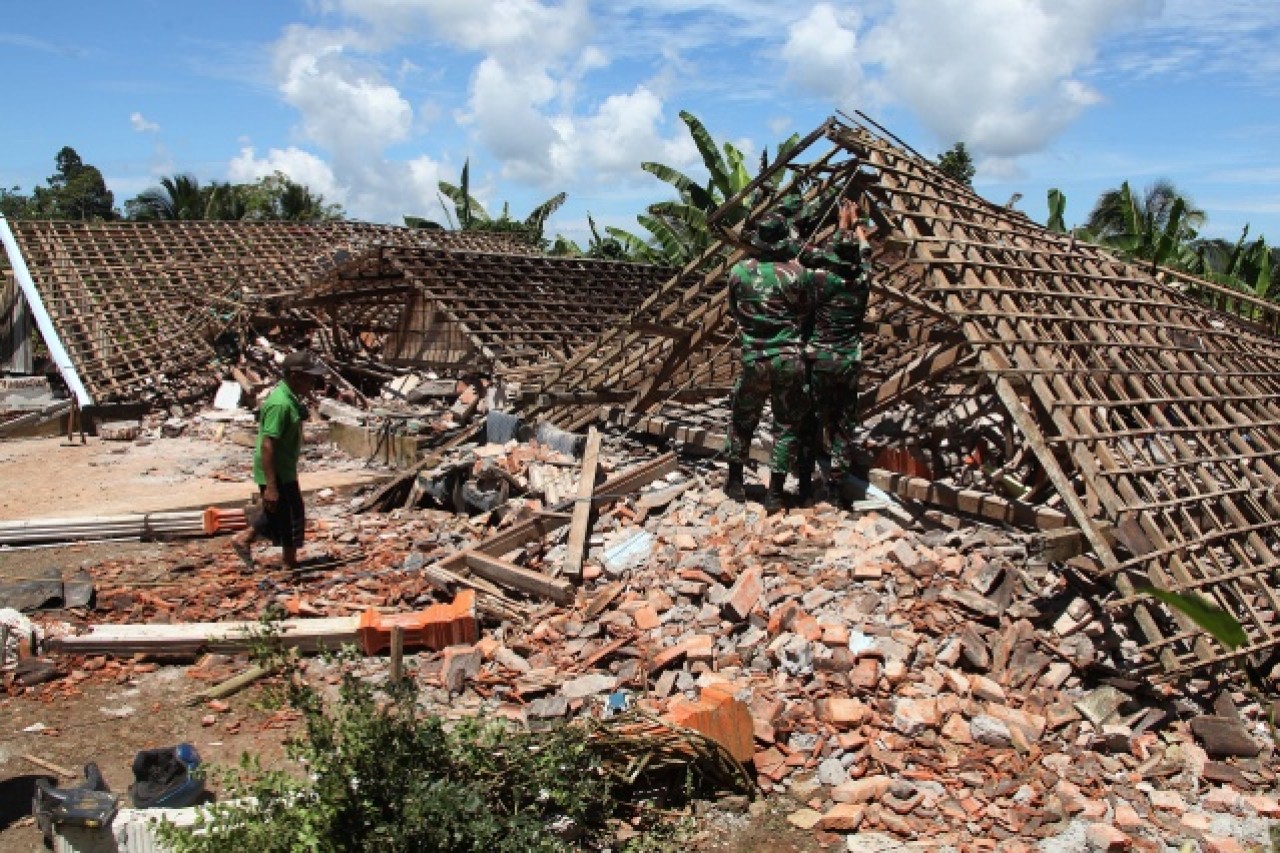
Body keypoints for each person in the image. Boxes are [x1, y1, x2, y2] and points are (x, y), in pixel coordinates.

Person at [724, 214, 822, 512]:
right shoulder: (799, 273)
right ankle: (775, 493)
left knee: (743, 419)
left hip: (754, 358)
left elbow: (734, 310)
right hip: (788, 359)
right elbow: (808, 313)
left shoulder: (739, 272)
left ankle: (736, 482)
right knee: (787, 425)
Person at [797, 198, 874, 504]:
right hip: (847, 363)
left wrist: (841, 226)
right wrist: (855, 226)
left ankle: (804, 486)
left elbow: (814, 259)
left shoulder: (819, 280)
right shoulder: (862, 283)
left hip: (819, 361)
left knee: (810, 423)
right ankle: (837, 491)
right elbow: (866, 254)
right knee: (842, 428)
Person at [231, 350, 326, 570]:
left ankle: (247, 539)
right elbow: (267, 444)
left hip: (284, 467)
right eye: (309, 379)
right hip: (276, 470)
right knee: (292, 515)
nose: (312, 383)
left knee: (279, 513)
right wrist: (271, 486)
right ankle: (287, 563)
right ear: (294, 376)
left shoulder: (289, 399)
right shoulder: (280, 404)